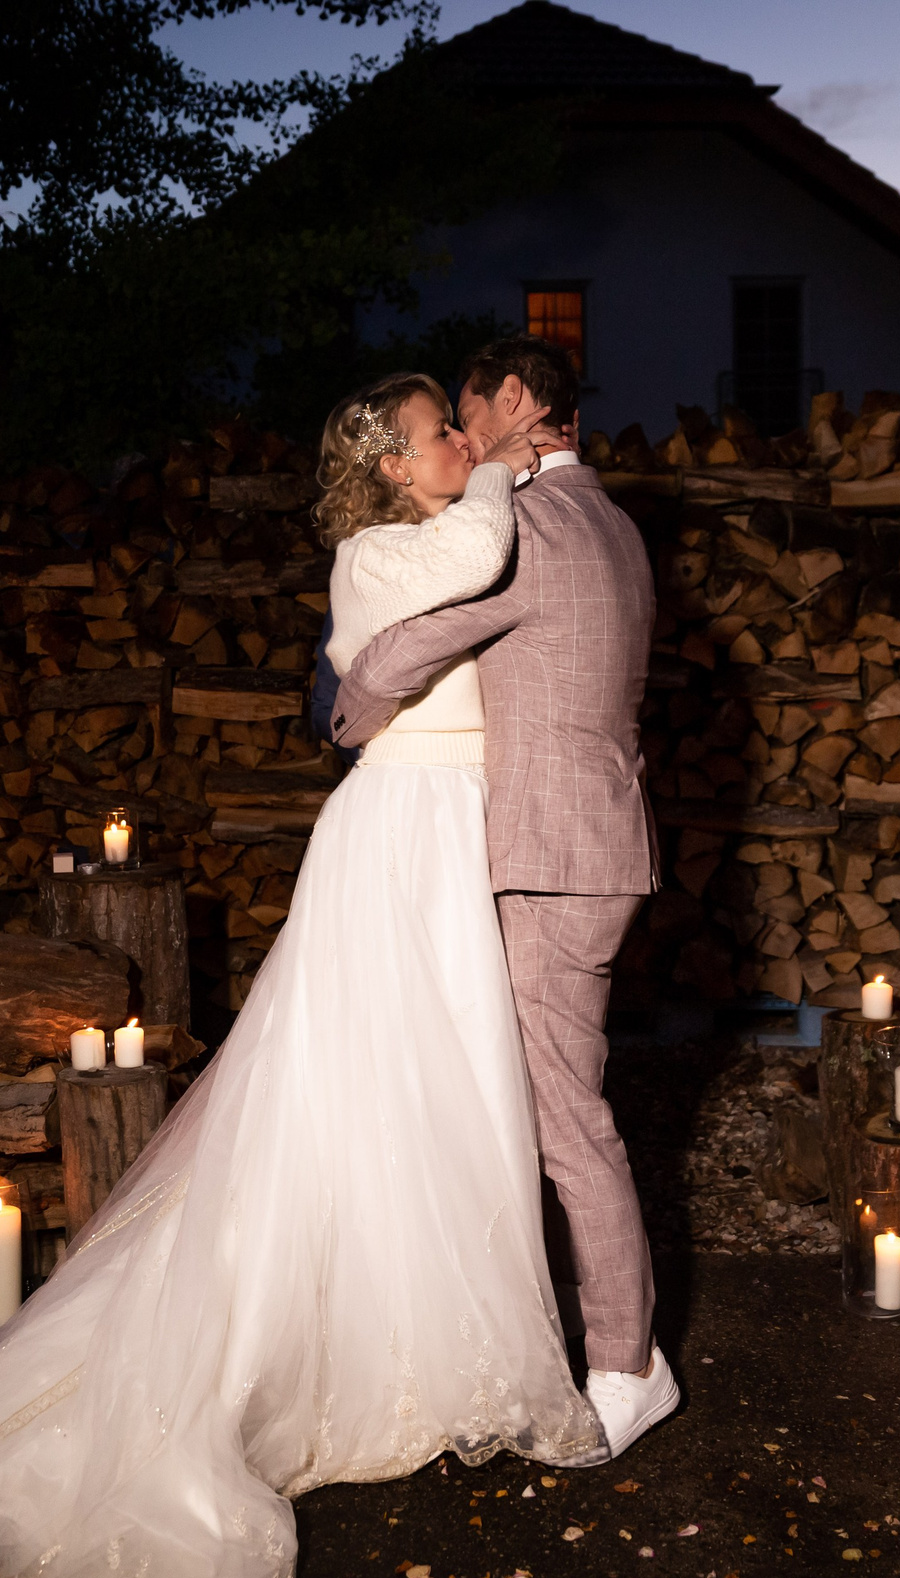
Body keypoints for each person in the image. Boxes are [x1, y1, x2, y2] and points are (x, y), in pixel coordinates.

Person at [0, 372, 606, 1578]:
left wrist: (512, 461)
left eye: (462, 422)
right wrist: (505, 456)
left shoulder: (420, 534)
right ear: (390, 468)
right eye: (440, 429)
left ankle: (430, 1350)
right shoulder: (377, 552)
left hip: (456, 830)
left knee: (444, 1092)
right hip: (405, 835)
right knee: (371, 1086)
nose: (460, 438)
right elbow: (486, 541)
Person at [329, 334, 676, 1458]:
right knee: (518, 1106)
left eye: (469, 415)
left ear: (517, 398)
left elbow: (387, 665)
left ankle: (626, 1366)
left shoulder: (529, 530)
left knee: (568, 1125)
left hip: (548, 858)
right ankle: (499, 1333)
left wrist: (347, 723)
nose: (465, 438)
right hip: (601, 840)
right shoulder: (617, 524)